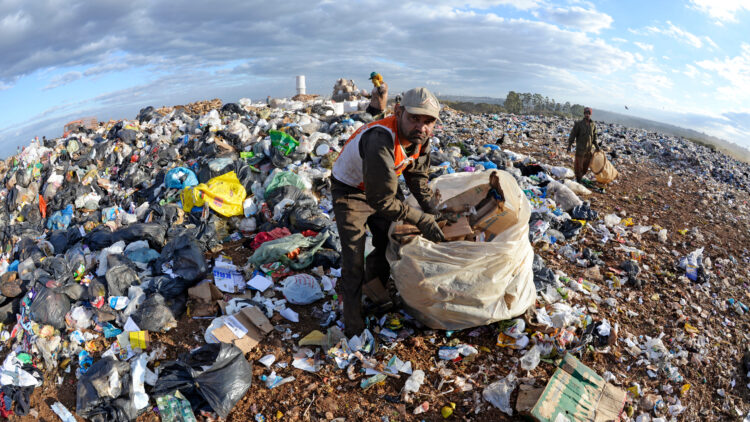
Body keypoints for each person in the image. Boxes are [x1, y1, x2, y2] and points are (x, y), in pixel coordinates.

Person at [332, 87, 444, 336]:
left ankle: (375, 290)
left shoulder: (420, 139)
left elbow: (417, 179)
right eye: (414, 118)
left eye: (428, 122)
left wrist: (435, 212)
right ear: (398, 111)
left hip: (382, 186)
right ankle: (353, 324)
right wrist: (422, 219)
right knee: (353, 259)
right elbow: (381, 200)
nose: (421, 127)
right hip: (350, 190)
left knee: (388, 241)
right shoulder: (380, 139)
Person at [567, 107, 599, 182]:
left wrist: (597, 146)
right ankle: (578, 180)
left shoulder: (593, 125)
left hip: (588, 150)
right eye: (586, 113)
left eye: (588, 113)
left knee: (585, 167)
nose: (587, 115)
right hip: (580, 149)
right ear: (584, 114)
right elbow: (573, 135)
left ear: (590, 114)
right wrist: (569, 145)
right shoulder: (579, 124)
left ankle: (580, 177)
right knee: (579, 166)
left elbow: (594, 137)